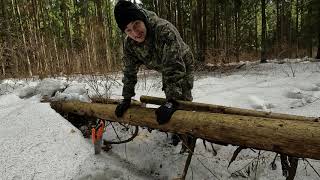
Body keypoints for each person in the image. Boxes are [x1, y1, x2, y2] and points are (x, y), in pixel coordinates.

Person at [113, 0, 194, 147]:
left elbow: (174, 67)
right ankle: (176, 128)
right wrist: (126, 98)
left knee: (183, 98)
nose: (135, 33)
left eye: (136, 24)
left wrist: (172, 100)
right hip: (164, 65)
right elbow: (129, 71)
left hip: (182, 61)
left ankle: (188, 135)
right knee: (171, 97)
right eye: (128, 30)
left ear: (142, 18)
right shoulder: (129, 44)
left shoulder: (163, 30)